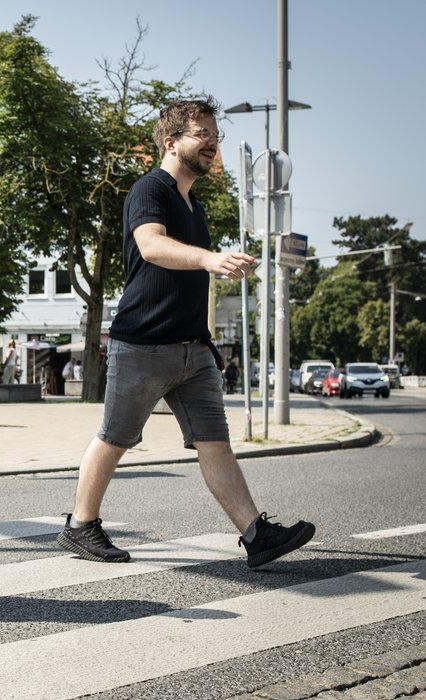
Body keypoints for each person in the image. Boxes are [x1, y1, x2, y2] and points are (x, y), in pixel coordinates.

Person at [55, 97, 314, 569]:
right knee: (115, 437)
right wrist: (211, 259)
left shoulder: (194, 204)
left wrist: (207, 341)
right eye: (203, 134)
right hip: (143, 344)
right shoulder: (149, 189)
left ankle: (256, 535)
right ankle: (80, 525)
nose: (212, 142)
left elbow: (185, 279)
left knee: (214, 441)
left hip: (193, 350)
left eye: (215, 134)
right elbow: (151, 246)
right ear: (171, 142)